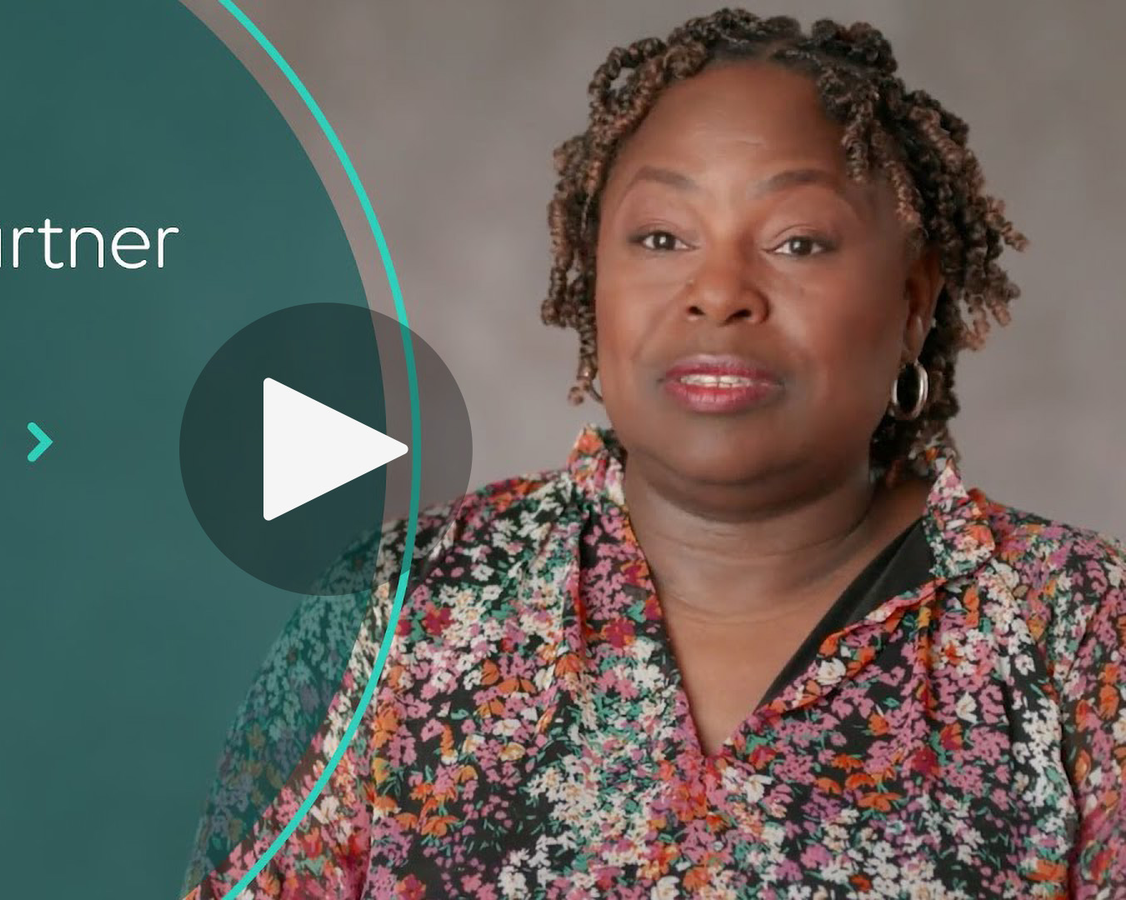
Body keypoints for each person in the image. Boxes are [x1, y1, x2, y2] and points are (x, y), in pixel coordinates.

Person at [184, 8, 1125, 897]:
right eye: (663, 237)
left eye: (798, 242)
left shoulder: (1082, 638)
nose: (718, 293)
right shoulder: (395, 616)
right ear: (597, 278)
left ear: (914, 300)